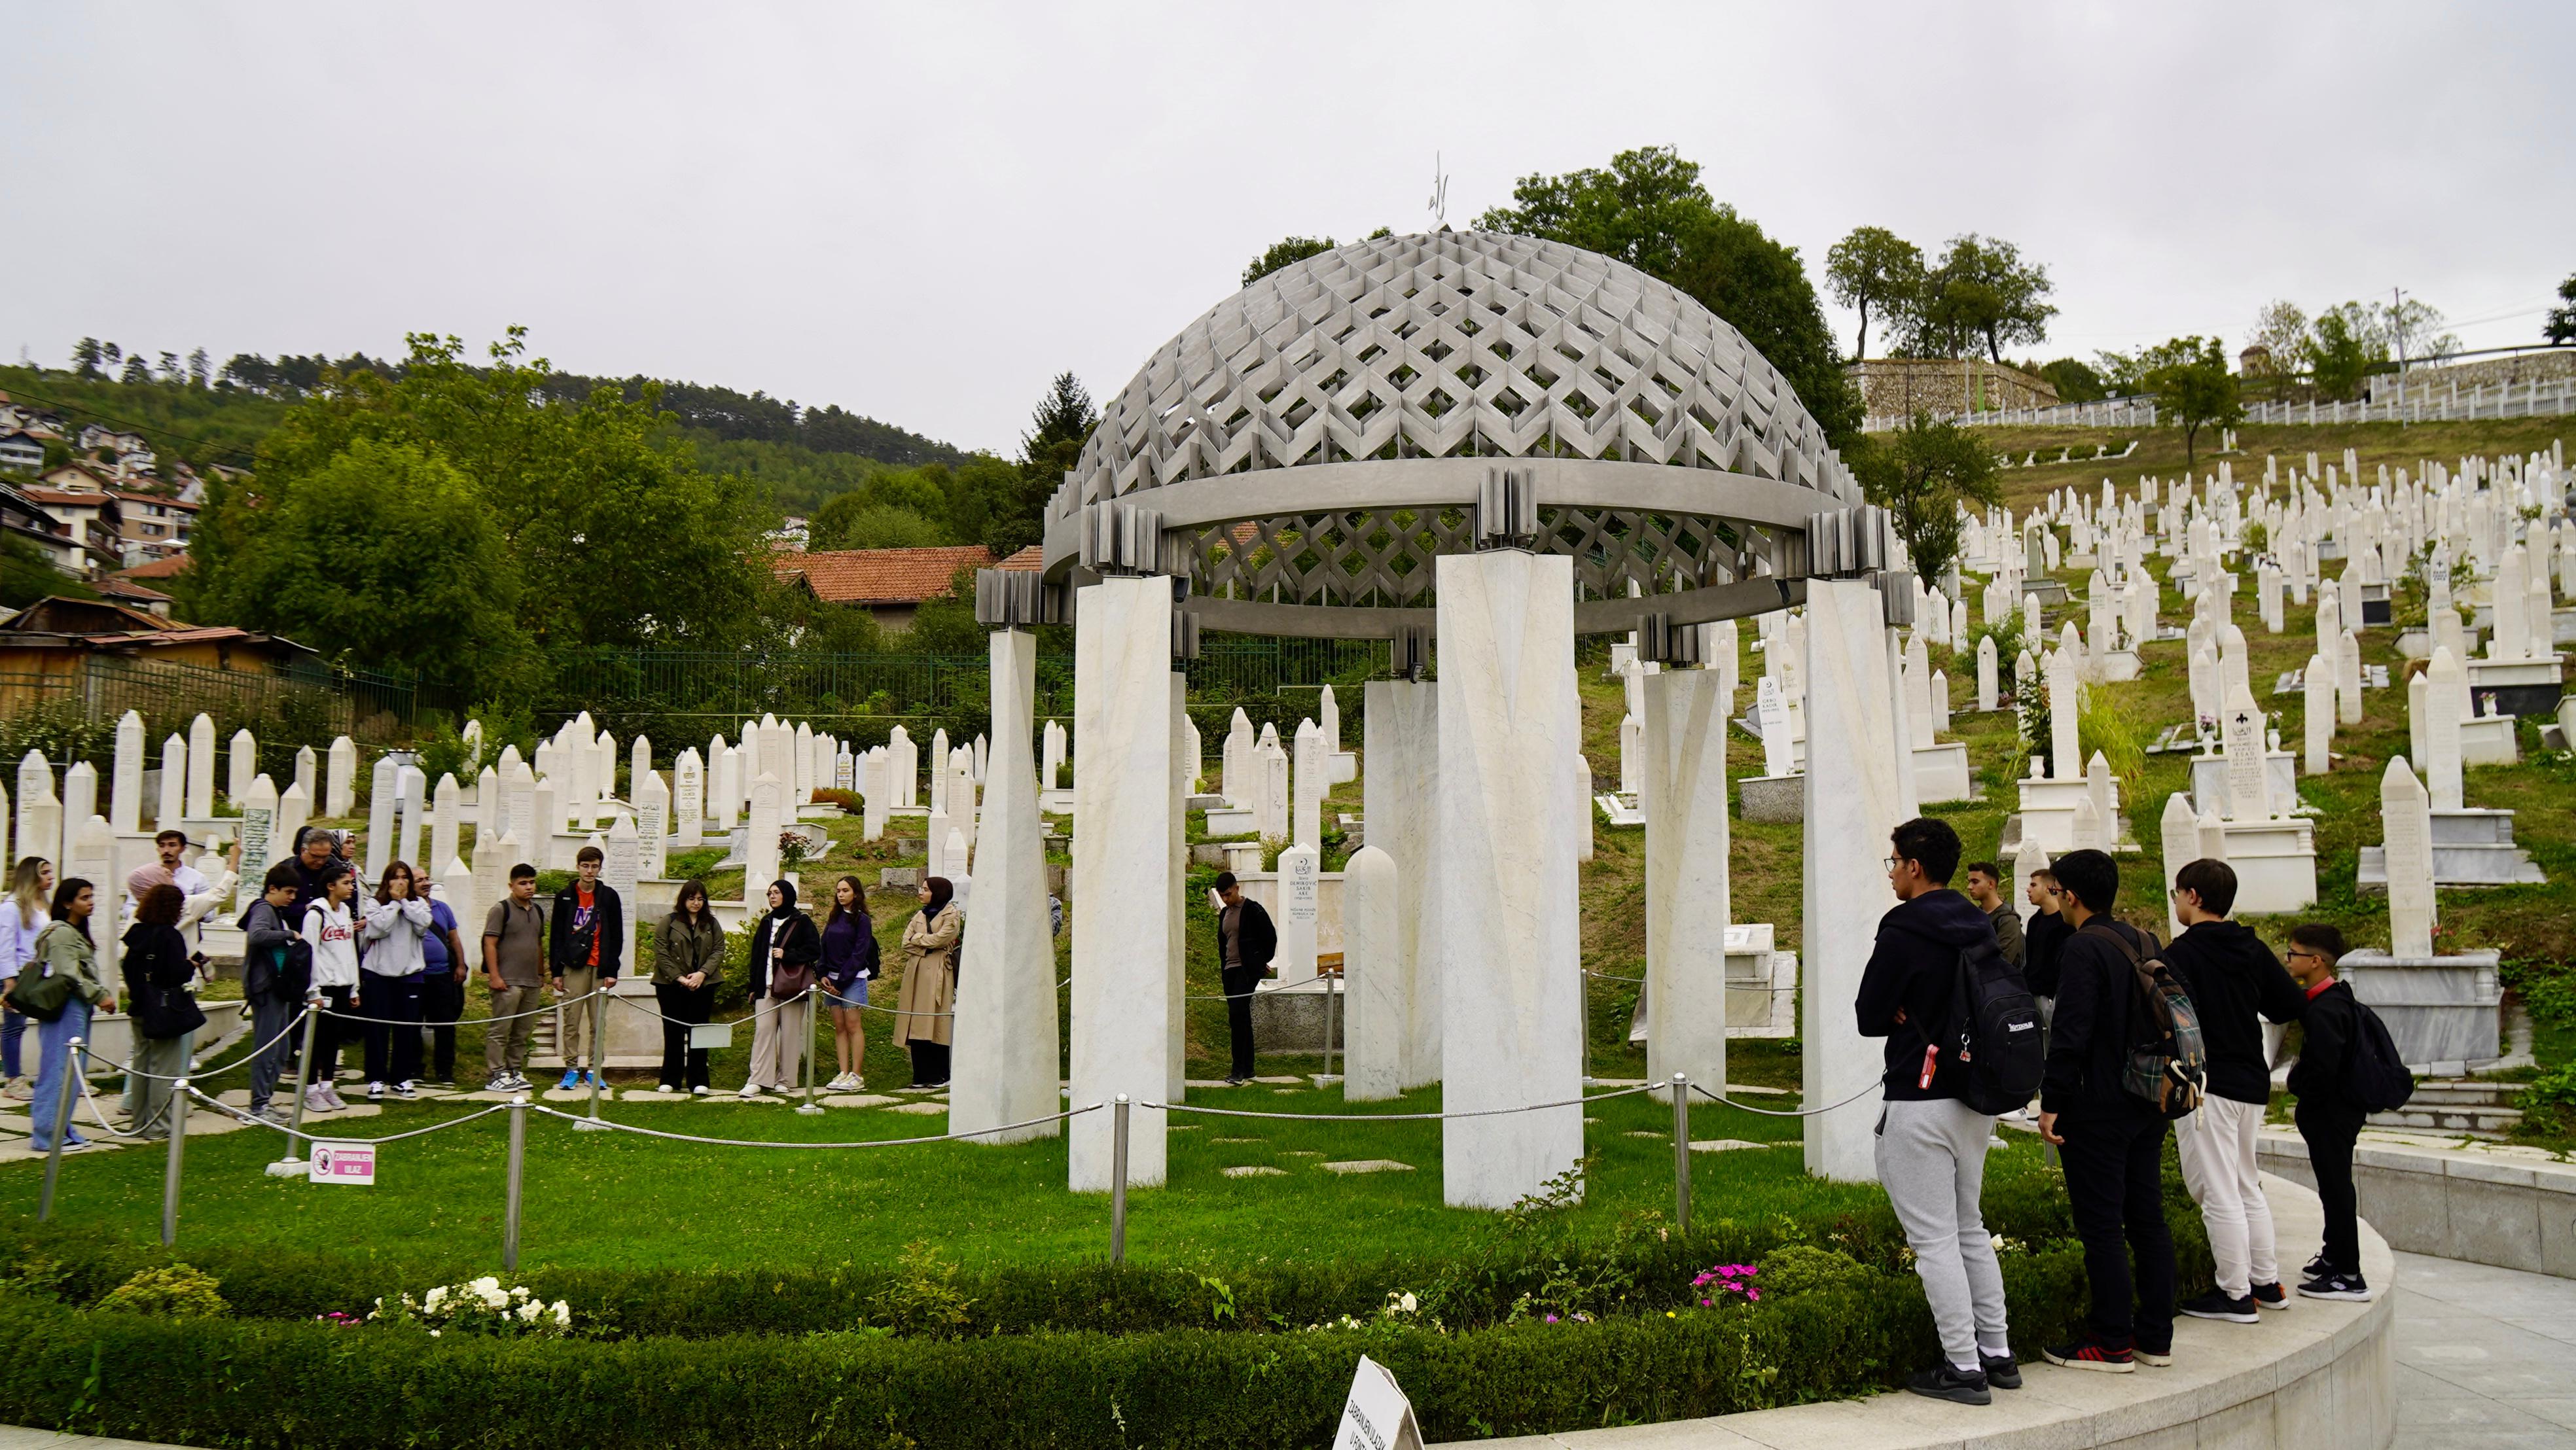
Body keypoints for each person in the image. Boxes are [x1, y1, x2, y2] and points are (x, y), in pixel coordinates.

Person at [1856, 818, 2016, 1406]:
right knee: (1969, 1226)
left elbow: (1869, 1013)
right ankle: (1997, 1354)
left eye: (1894, 861)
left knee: (1933, 1241)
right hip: (1975, 1094)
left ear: (1914, 867)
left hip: (1918, 1098)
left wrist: (1898, 1008)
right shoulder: (1978, 922)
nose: (1892, 871)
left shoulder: (1903, 926)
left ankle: (1963, 1366)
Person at [2035, 849, 2177, 1373]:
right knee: (2147, 1218)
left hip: (2096, 1106)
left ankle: (2111, 1340)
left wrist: (2051, 1104)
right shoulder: (2145, 939)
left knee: (2100, 1225)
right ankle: (2155, 1338)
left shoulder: (2082, 949)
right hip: (2146, 1097)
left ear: (2068, 895)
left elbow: (2071, 1033)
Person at [2163, 860, 2307, 1322]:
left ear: (2195, 897)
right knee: (2246, 1182)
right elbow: (2288, 1002)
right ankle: (2266, 1282)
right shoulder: (2251, 946)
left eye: (2178, 893)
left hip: (2207, 1083)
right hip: (2251, 1078)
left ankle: (2235, 1294)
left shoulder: (2181, 954)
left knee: (2217, 1189)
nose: (2177, 902)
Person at [2284, 925, 2372, 1302]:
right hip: (2336, 1112)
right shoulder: (2334, 998)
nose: (2288, 960)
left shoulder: (2327, 1010)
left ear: (2316, 961)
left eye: (2293, 954)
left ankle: (2349, 1274)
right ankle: (2334, 1255)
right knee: (2332, 1187)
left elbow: (2323, 1069)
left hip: (2332, 1115)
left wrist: (2299, 1089)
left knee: (2336, 1189)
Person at [24, 878, 111, 1154]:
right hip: (66, 1007)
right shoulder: (61, 933)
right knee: (58, 1071)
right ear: (67, 903)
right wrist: (100, 995)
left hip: (77, 1007)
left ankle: (62, 1127)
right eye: (84, 898)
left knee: (72, 1072)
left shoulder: (75, 931)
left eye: (91, 896)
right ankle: (47, 1133)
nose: (91, 902)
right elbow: (69, 974)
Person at [120, 883, 206, 1140]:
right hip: (164, 1009)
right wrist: (190, 965)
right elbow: (174, 974)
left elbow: (127, 967)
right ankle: (159, 1126)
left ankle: (139, 1123)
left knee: (141, 1067)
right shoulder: (170, 936)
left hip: (140, 1006)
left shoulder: (136, 932)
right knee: (163, 1069)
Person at [548, 845, 624, 1091]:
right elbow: (557, 935)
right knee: (571, 1019)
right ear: (578, 866)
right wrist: (556, 971)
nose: (590, 871)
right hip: (574, 965)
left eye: (594, 866)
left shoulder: (609, 896)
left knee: (597, 1021)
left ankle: (594, 1069)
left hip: (599, 965)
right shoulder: (565, 896)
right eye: (585, 866)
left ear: (600, 868)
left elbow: (617, 935)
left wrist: (612, 969)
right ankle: (571, 1068)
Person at [359, 861, 432, 1101]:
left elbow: (423, 925)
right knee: (378, 1029)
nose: (400, 882)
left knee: (407, 1030)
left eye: (405, 877)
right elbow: (379, 928)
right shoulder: (374, 904)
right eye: (395, 877)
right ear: (386, 881)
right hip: (379, 974)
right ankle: (377, 1078)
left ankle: (401, 1077)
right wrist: (392, 903)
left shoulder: (419, 903)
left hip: (410, 975)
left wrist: (403, 903)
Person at [240, 863, 306, 1122]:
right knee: (266, 1049)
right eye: (288, 892)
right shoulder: (264, 909)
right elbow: (257, 935)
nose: (292, 898)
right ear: (272, 889)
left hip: (276, 989)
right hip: (265, 989)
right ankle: (258, 1105)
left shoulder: (274, 911)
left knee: (280, 1049)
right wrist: (289, 934)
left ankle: (265, 1101)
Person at [741, 879, 819, 1096]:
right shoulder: (766, 922)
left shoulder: (801, 921)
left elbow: (814, 950)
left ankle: (785, 1080)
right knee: (763, 1031)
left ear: (787, 894)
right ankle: (758, 1079)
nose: (772, 896)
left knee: (790, 1034)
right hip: (765, 986)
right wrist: (753, 986)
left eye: (776, 892)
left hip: (791, 987)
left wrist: (788, 955)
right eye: (769, 894)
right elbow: (756, 956)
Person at [652, 879, 724, 1095]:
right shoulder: (669, 922)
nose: (696, 903)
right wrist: (680, 978)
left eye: (701, 899)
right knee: (673, 1032)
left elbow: (719, 949)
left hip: (703, 984)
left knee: (699, 1032)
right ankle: (670, 1079)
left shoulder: (711, 923)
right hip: (670, 985)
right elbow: (661, 952)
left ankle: (699, 1080)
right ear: (683, 900)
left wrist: (702, 974)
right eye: (692, 899)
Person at [299, 860, 361, 1114]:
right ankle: (311, 1089)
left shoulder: (345, 912)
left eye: (351, 883)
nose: (351, 887)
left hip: (343, 985)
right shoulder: (316, 914)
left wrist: (354, 987)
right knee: (316, 1040)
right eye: (346, 883)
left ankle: (327, 1085)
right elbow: (309, 953)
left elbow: (349, 951)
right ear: (330, 886)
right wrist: (313, 992)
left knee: (333, 1040)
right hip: (322, 986)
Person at [480, 863, 547, 1093]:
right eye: (523, 883)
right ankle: (496, 1073)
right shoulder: (501, 910)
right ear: (512, 885)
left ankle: (514, 1069)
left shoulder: (537, 911)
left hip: (531, 981)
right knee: (501, 1029)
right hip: (507, 980)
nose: (529, 887)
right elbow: (489, 943)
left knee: (522, 1030)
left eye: (531, 882)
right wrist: (495, 976)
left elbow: (538, 944)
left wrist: (541, 973)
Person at [893, 876, 962, 1088]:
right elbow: (905, 942)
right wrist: (926, 944)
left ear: (938, 892)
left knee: (935, 1022)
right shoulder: (919, 915)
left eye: (925, 889)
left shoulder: (952, 914)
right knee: (916, 1021)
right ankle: (921, 1075)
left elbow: (942, 938)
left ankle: (940, 1074)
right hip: (916, 972)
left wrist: (919, 940)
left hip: (939, 971)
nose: (920, 892)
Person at [1212, 872, 1276, 1086]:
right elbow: (1224, 944)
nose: (1226, 899)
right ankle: (1248, 1068)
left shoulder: (1253, 910)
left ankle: (1238, 1070)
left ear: (1237, 888)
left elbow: (1270, 937)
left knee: (1238, 1014)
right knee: (1238, 1018)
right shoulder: (1224, 914)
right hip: (1229, 970)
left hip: (1246, 971)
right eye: (1222, 896)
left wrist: (1258, 963)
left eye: (1228, 894)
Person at [817, 875, 878, 1092]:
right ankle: (843, 1072)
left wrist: (842, 982)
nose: (841, 895)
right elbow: (824, 946)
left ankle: (857, 1075)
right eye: (838, 891)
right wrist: (822, 972)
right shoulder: (834, 917)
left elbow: (859, 954)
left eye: (845, 891)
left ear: (856, 894)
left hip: (852, 980)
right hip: (830, 980)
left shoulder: (862, 921)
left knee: (853, 1026)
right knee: (840, 1027)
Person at [0, 857, 53, 1099]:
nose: (50, 876)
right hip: (20, 974)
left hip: (44, 972)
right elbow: (6, 945)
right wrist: (9, 981)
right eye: (44, 872)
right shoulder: (13, 906)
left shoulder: (45, 904)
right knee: (14, 1027)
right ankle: (13, 1079)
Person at [414, 885, 468, 1086]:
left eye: (427, 878)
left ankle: (445, 1071)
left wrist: (461, 965)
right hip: (416, 976)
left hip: (442, 974)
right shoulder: (406, 908)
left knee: (445, 1024)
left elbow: (454, 938)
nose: (426, 883)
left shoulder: (442, 908)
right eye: (420, 880)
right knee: (413, 1023)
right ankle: (415, 1069)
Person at [1962, 860, 2025, 970]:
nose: (1969, 887)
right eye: (1969, 882)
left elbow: (2004, 960)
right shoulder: (1975, 915)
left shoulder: (2008, 920)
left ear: (1991, 884)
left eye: (1975, 882)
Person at [2022, 868, 2070, 998]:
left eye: (2034, 885)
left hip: (2054, 995)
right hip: (2033, 991)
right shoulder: (2034, 921)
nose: (2028, 889)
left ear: (2048, 888)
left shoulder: (2066, 923)